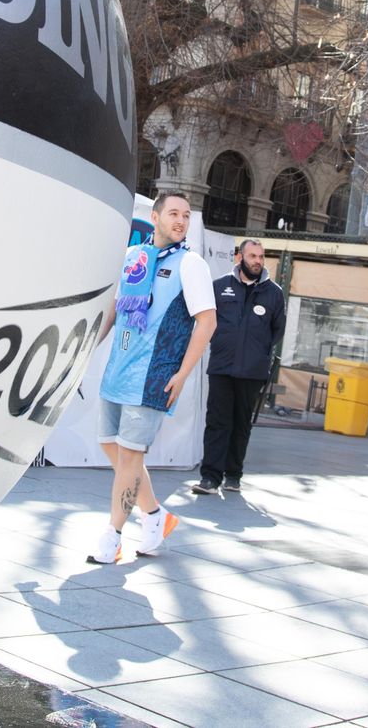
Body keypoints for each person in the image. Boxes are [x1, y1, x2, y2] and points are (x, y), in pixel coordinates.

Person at [87, 192, 217, 565]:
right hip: (119, 370)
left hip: (154, 374)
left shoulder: (191, 264)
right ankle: (157, 516)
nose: (181, 220)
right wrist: (90, 349)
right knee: (109, 445)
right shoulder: (134, 257)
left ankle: (113, 536)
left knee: (130, 455)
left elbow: (207, 321)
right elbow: (114, 306)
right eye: (173, 213)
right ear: (156, 217)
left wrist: (182, 373)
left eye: (186, 215)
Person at [193, 239, 286, 495]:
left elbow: (278, 330)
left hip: (253, 371)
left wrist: (259, 351)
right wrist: (222, 343)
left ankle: (233, 475)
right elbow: (207, 321)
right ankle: (210, 478)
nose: (258, 261)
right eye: (253, 255)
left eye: (261, 256)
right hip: (222, 367)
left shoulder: (274, 293)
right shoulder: (220, 287)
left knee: (241, 423)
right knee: (217, 422)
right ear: (239, 257)